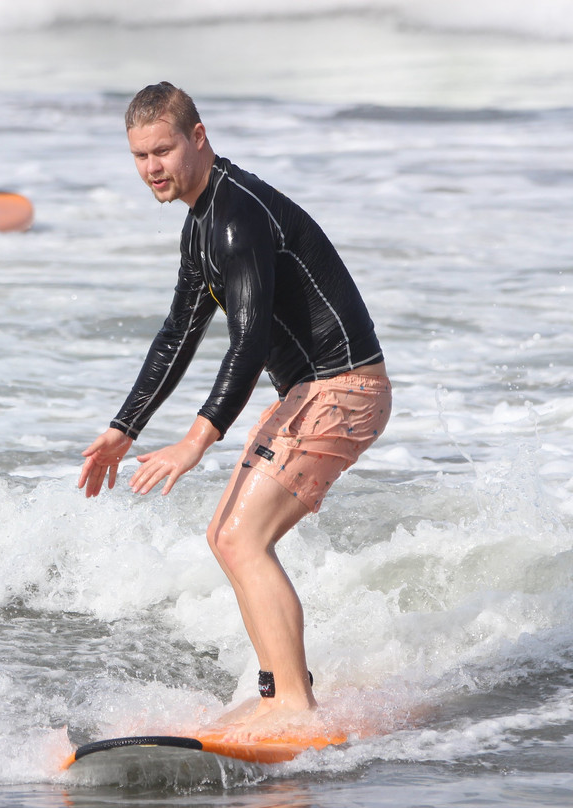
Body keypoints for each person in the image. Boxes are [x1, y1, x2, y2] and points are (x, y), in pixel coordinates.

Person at [78, 82, 391, 741]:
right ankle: (278, 691)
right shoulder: (202, 223)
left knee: (241, 538)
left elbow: (246, 339)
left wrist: (196, 441)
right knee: (227, 537)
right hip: (313, 394)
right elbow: (177, 333)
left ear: (198, 136)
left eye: (162, 149)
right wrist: (122, 428)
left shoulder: (236, 217)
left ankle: (293, 708)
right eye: (139, 156)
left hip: (343, 391)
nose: (152, 168)